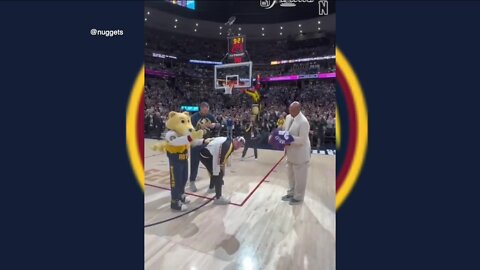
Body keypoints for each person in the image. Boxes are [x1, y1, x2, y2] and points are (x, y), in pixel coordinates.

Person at [199, 136, 245, 204]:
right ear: (234, 140)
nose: (238, 147)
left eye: (240, 146)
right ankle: (218, 198)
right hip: (206, 155)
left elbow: (222, 160)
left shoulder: (230, 142)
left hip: (206, 152)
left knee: (216, 173)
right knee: (218, 174)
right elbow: (219, 163)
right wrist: (220, 176)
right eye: (238, 144)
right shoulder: (227, 146)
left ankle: (211, 188)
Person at [281, 101, 311, 205]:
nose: (289, 111)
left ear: (298, 110)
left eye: (292, 110)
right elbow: (286, 131)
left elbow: (302, 140)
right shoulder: (288, 117)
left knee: (300, 177)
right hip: (290, 152)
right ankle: (291, 193)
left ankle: (298, 197)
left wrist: (289, 138)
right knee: (290, 175)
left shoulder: (304, 122)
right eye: (289, 109)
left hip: (301, 154)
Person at [189, 102, 219, 192]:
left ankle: (212, 183)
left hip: (207, 143)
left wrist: (215, 125)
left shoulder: (210, 116)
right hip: (196, 143)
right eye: (204, 110)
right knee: (194, 163)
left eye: (207, 110)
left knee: (210, 164)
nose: (206, 112)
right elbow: (190, 130)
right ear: (201, 109)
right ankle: (192, 182)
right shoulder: (194, 117)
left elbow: (219, 125)